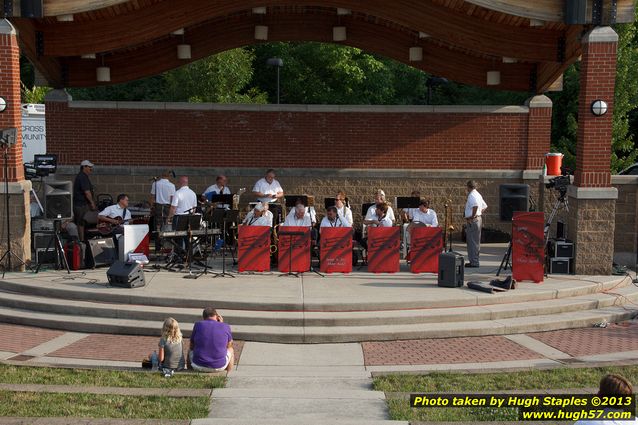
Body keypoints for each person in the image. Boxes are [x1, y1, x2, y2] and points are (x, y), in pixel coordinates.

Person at [189, 307, 234, 373]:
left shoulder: (198, 325)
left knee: (190, 350)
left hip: (198, 365)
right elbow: (229, 344)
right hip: (219, 366)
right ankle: (228, 374)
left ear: (204, 317)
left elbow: (191, 345)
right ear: (217, 316)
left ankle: (189, 371)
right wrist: (221, 324)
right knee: (231, 349)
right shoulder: (225, 326)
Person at [464, 180, 487, 268]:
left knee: (472, 242)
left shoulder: (472, 195)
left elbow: (475, 206)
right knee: (476, 242)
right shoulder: (478, 194)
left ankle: (474, 262)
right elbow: (484, 206)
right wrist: (478, 214)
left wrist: (472, 217)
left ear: (468, 187)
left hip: (473, 220)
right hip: (478, 219)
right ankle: (475, 260)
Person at [73, 160, 96, 241]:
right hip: (81, 205)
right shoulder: (82, 177)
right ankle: (81, 241)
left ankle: (84, 240)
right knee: (81, 223)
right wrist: (92, 203)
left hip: (82, 204)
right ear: (84, 167)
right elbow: (87, 192)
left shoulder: (83, 176)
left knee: (83, 222)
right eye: (89, 167)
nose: (91, 169)